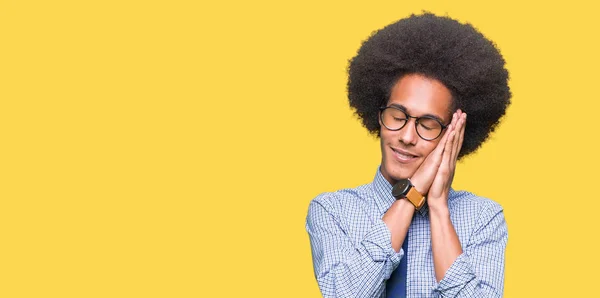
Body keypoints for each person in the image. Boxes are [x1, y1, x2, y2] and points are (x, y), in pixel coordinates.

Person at [305, 12, 511, 298]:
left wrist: (438, 208)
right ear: (378, 114)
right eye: (397, 115)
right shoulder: (333, 211)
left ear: (453, 135)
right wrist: (412, 195)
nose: (406, 136)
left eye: (427, 125)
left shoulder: (482, 218)